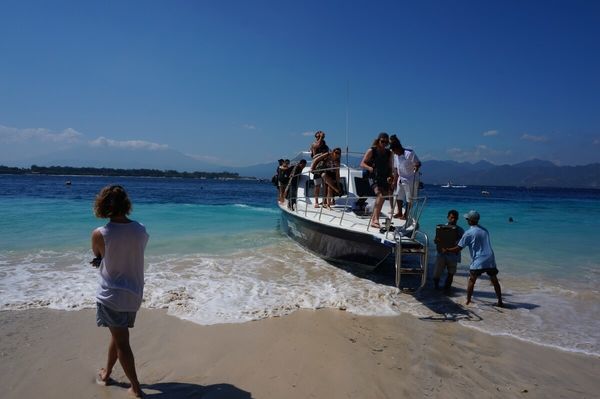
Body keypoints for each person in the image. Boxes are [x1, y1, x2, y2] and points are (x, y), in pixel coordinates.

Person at [91, 185, 149, 398]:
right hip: (133, 294)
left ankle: (135, 387)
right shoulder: (140, 230)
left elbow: (99, 255)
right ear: (126, 204)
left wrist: (98, 259)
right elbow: (131, 251)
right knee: (118, 335)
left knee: (122, 341)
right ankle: (107, 373)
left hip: (111, 295)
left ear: (102, 204)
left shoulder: (100, 233)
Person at [443, 210, 503, 307]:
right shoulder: (485, 230)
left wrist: (447, 250)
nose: (466, 220)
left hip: (478, 260)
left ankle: (468, 301)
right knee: (494, 280)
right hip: (490, 259)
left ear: (469, 220)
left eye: (467, 219)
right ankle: (500, 301)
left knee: (472, 280)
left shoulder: (468, 233)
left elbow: (458, 248)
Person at [360, 132, 394, 229]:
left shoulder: (389, 153)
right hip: (373, 177)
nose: (384, 143)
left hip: (384, 177)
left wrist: (391, 176)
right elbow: (362, 163)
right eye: (382, 141)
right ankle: (375, 220)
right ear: (378, 140)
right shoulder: (372, 151)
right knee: (380, 194)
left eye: (386, 142)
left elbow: (390, 167)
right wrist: (370, 168)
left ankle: (374, 217)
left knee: (382, 198)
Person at [390, 134, 421, 219]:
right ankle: (399, 212)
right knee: (398, 195)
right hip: (401, 178)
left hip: (410, 178)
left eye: (394, 150)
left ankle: (406, 214)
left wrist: (416, 166)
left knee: (409, 198)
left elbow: (418, 162)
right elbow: (396, 168)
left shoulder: (409, 153)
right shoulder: (396, 156)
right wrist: (394, 181)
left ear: (397, 148)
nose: (394, 152)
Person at [433, 209, 464, 291]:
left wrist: (450, 249)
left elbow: (462, 244)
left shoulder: (460, 230)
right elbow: (436, 240)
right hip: (441, 254)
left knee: (451, 273)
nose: (453, 220)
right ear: (448, 217)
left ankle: (447, 290)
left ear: (457, 219)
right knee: (437, 274)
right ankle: (436, 290)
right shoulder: (441, 228)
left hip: (453, 255)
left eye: (455, 218)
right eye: (451, 218)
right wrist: (437, 241)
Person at [310, 131, 329, 207]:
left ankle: (324, 201)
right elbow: (315, 153)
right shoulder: (314, 144)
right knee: (317, 185)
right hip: (317, 167)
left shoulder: (326, 146)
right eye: (318, 137)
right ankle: (316, 202)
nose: (320, 138)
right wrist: (321, 137)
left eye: (321, 137)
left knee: (325, 185)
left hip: (324, 167)